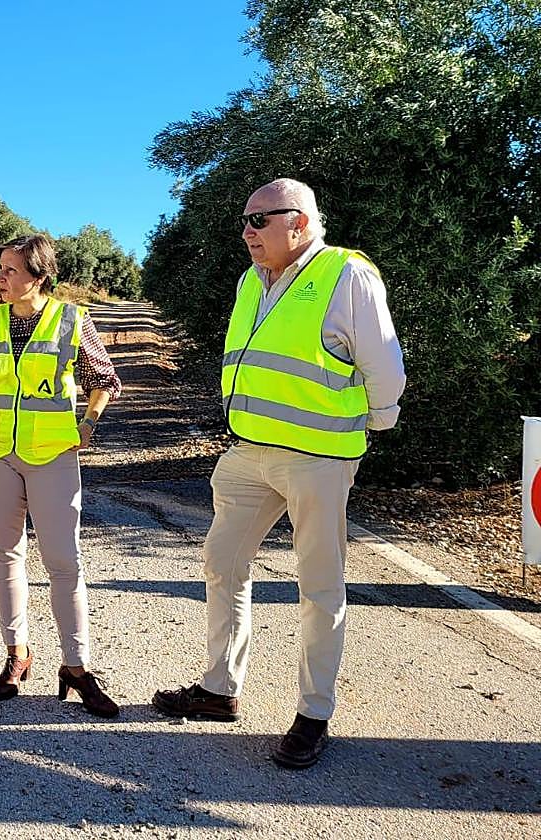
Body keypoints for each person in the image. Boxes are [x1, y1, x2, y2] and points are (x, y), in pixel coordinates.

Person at [152, 178, 406, 768]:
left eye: (258, 221)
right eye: (244, 221)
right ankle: (220, 689)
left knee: (319, 585)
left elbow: (383, 364)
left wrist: (372, 425)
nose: (246, 232)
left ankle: (314, 713)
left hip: (316, 458)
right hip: (248, 452)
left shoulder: (346, 275)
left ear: (299, 220)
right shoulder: (250, 281)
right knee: (222, 563)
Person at [0, 234, 123, 718]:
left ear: (39, 276)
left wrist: (89, 423)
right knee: (4, 554)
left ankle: (77, 667)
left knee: (63, 561)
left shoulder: (71, 319)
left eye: (10, 270)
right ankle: (17, 653)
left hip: (52, 453)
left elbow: (105, 379)